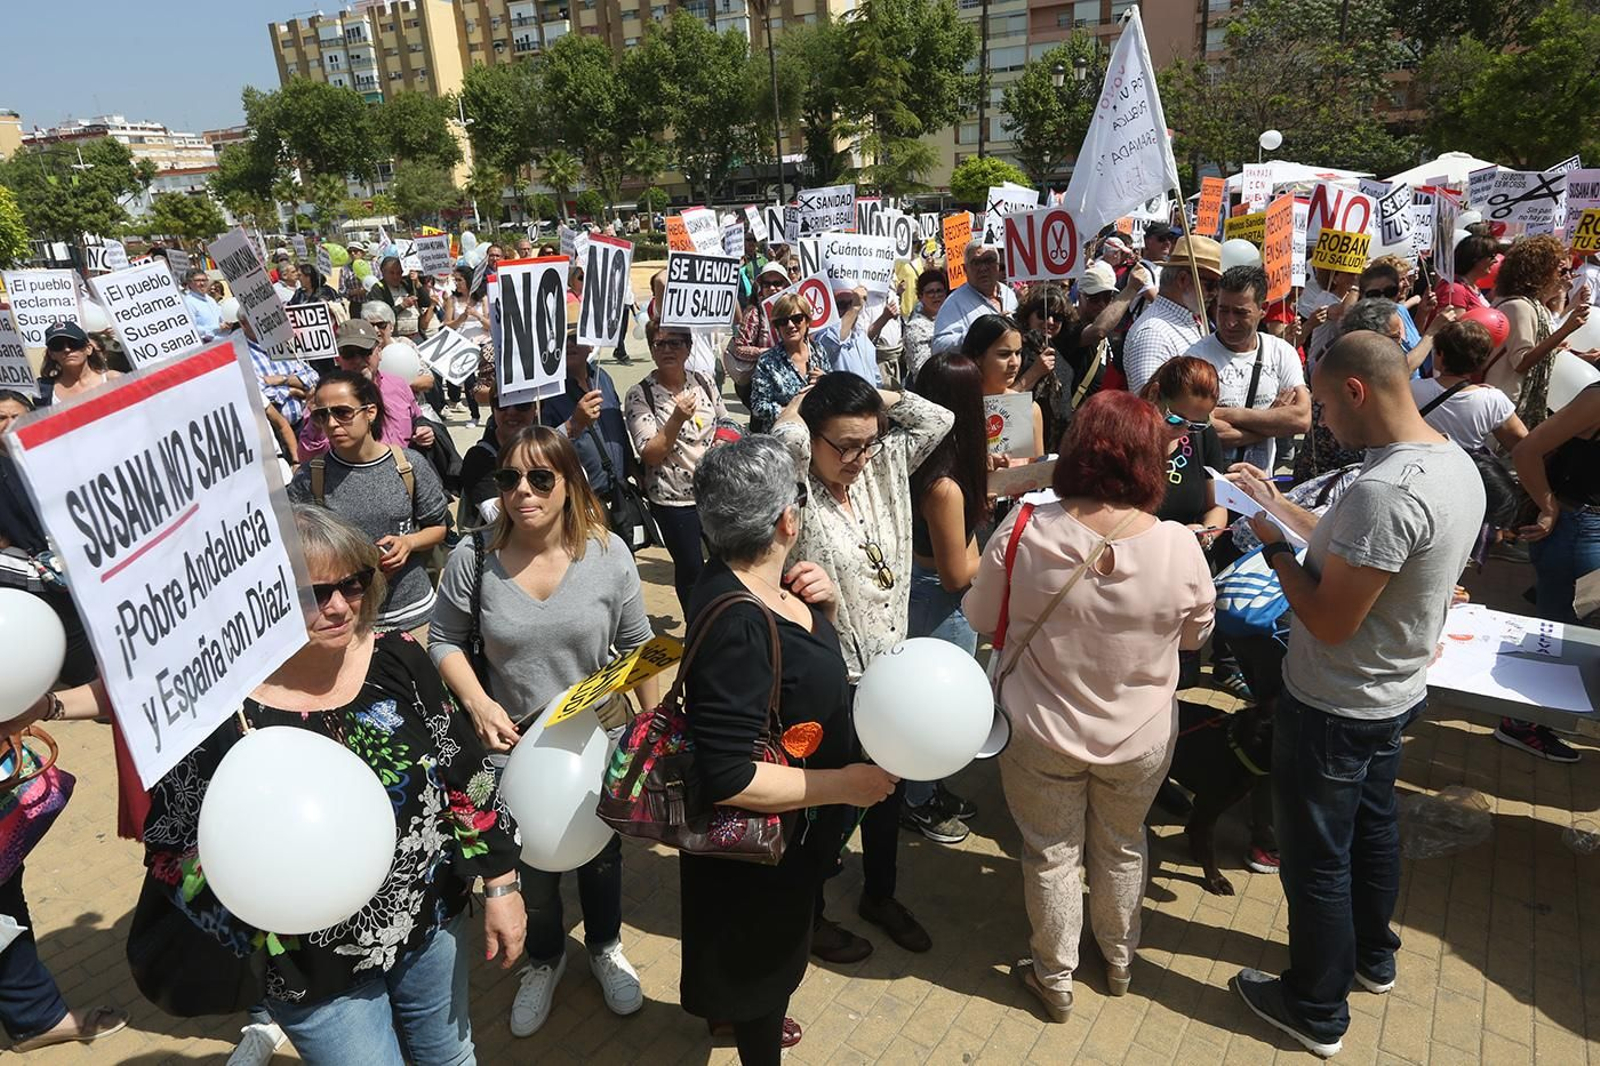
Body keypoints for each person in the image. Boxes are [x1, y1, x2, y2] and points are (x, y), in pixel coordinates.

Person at [142, 505, 522, 1066]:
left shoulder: (397, 657)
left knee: (450, 1057)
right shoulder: (220, 711)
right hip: (314, 968)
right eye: (314, 591)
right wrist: (259, 934)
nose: (340, 605)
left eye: (353, 582)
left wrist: (502, 885)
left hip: (426, 924)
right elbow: (175, 849)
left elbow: (465, 777)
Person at [1227, 331, 1485, 1059]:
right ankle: (1373, 955)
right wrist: (1279, 506)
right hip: (1392, 694)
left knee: (1317, 859)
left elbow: (1331, 617)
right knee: (1374, 832)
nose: (1319, 425)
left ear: (1355, 392)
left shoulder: (1384, 491)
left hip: (1336, 703)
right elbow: (1352, 560)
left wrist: (1269, 548)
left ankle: (1314, 1005)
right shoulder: (1446, 464)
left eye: (1322, 407)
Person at [964, 390, 1215, 1021]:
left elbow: (978, 617)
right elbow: (1196, 637)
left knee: (1050, 851)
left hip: (1040, 730)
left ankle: (1055, 977)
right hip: (1141, 736)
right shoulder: (1181, 546)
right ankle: (1121, 959)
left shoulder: (1023, 529)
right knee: (1124, 843)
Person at [429, 426, 654, 1039]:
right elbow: (443, 638)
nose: (522, 492)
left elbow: (640, 646)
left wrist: (644, 730)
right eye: (509, 480)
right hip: (512, 748)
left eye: (539, 479)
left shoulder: (608, 554)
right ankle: (544, 960)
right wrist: (477, 702)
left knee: (603, 858)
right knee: (533, 867)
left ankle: (605, 948)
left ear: (569, 484)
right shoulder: (472, 558)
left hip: (592, 742)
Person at [679, 436, 897, 1064]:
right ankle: (754, 1032)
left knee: (760, 957)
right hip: (760, 849)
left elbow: (795, 680)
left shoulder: (761, 590)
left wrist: (821, 610)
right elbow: (727, 775)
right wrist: (845, 786)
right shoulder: (741, 620)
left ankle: (744, 1014)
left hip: (792, 839)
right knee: (761, 971)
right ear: (785, 519)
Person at [772, 374, 953, 961]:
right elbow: (781, 443)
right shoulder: (795, 485)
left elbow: (938, 420)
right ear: (813, 437)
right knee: (831, 806)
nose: (855, 457)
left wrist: (876, 401)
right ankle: (810, 914)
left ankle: (880, 894)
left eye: (866, 441)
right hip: (834, 680)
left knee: (888, 796)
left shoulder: (884, 465)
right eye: (842, 445)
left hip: (894, 674)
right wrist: (800, 403)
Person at [900, 351, 990, 844]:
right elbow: (958, 573)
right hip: (940, 603)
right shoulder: (945, 485)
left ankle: (927, 787)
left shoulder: (926, 461)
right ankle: (918, 800)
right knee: (934, 709)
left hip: (929, 593)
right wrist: (1004, 547)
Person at [287, 370, 448, 636]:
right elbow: (295, 542)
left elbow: (438, 528)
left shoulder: (408, 465)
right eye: (321, 415)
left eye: (342, 412)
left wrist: (409, 543)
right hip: (348, 623)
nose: (332, 423)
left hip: (414, 613)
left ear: (370, 412)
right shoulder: (310, 476)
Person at [1506, 382, 1600, 762]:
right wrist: (1547, 507)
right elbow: (1526, 450)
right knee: (1561, 632)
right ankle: (1521, 722)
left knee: (1570, 632)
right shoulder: (1597, 397)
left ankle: (1535, 716)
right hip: (1580, 529)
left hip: (1585, 532)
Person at [625, 320, 729, 611]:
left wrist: (723, 442)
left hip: (714, 493)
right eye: (660, 343)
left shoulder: (704, 382)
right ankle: (698, 628)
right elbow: (650, 454)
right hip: (674, 501)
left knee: (728, 563)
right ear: (651, 349)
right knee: (691, 570)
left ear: (688, 347)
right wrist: (676, 419)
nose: (668, 349)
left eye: (675, 343)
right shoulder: (639, 395)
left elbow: (727, 421)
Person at [1186, 265, 1310, 471]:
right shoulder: (1196, 358)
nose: (1230, 322)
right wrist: (1272, 422)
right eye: (1223, 310)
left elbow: (1301, 419)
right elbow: (1203, 430)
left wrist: (1228, 414)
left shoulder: (1281, 353)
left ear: (1264, 309)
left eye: (1241, 313)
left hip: (1260, 490)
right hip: (1210, 491)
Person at [1488, 234, 1590, 431]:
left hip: (1514, 405)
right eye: (1561, 270)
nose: (1566, 276)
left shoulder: (1533, 305)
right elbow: (1522, 361)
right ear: (1540, 271)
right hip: (1509, 407)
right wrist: (1566, 329)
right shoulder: (1518, 306)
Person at [298, 320, 434, 460]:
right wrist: (318, 422)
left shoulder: (399, 385)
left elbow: (417, 419)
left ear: (379, 351)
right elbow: (308, 457)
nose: (357, 360)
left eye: (365, 351)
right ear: (337, 358)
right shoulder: (325, 397)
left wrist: (423, 430)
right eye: (349, 353)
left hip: (404, 473)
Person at [1122, 236, 1222, 394]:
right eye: (1211, 285)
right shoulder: (1153, 334)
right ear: (1183, 279)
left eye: (1219, 286)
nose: (1215, 293)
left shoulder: (1190, 321)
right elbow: (1151, 407)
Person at [1411, 320, 1527, 452]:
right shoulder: (1492, 400)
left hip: (1421, 466)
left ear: (1441, 354)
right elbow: (1522, 444)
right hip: (1468, 470)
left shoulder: (1411, 390)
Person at [538, 332, 630, 497]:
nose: (569, 344)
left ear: (591, 345)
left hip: (619, 491)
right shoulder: (545, 391)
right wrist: (574, 424)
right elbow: (540, 446)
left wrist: (633, 469)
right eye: (562, 338)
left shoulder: (603, 378)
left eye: (575, 338)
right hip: (581, 498)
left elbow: (619, 430)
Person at [1057, 261, 1150, 424]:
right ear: (1080, 295)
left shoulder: (1113, 332)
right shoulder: (1068, 328)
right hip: (1076, 420)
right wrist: (1131, 290)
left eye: (1107, 297)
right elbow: (1098, 331)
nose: (1101, 304)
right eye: (1094, 298)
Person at [747, 293, 835, 435]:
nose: (790, 325)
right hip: (784, 440)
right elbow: (758, 406)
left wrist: (825, 381)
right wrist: (793, 411)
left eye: (797, 319)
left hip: (818, 434)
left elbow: (833, 396)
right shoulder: (767, 361)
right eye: (783, 321)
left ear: (807, 321)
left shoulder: (819, 352)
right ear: (777, 327)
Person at [457, 389, 539, 529]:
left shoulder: (551, 450)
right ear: (493, 408)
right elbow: (492, 514)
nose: (512, 411)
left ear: (536, 408)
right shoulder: (479, 457)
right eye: (502, 403)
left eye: (522, 404)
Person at [966, 313, 1044, 458]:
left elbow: (1038, 469)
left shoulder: (1030, 410)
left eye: (1018, 353)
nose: (1014, 362)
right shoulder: (960, 407)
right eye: (1004, 354)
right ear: (978, 357)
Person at [931, 239, 1019, 355]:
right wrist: (980, 333)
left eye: (989, 261)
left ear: (998, 265)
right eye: (976, 263)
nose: (983, 268)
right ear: (965, 269)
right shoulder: (954, 303)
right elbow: (938, 347)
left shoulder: (1009, 294)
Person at [729, 263, 790, 406]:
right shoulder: (754, 313)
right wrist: (768, 353)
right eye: (767, 284)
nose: (772, 288)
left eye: (777, 283)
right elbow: (739, 348)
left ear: (786, 285)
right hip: (764, 386)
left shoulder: (795, 309)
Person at [37, 322, 120, 405]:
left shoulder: (113, 380)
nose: (67, 350)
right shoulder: (43, 391)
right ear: (52, 354)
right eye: (57, 345)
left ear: (88, 349)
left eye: (74, 343)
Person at [902, 267, 949, 385]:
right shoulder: (915, 327)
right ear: (920, 296)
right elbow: (920, 369)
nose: (936, 296)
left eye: (939, 291)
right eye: (930, 292)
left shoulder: (953, 320)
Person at [372, 256, 422, 340]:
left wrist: (417, 282)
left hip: (415, 336)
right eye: (391, 273)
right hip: (395, 337)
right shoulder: (379, 289)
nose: (395, 276)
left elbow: (425, 302)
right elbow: (381, 316)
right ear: (383, 272)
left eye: (399, 273)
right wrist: (402, 305)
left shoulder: (406, 284)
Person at [182, 268, 224, 341]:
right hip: (208, 345)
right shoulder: (188, 302)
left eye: (204, 280)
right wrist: (216, 328)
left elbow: (221, 317)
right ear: (190, 283)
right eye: (198, 281)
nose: (202, 283)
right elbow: (192, 329)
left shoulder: (210, 300)